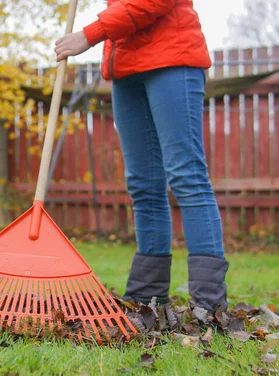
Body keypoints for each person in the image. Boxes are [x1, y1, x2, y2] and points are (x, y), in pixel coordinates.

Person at [54, 0, 228, 312]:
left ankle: (209, 304)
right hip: (126, 69)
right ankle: (147, 299)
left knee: (186, 176)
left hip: (171, 60)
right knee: (143, 185)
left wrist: (89, 34)